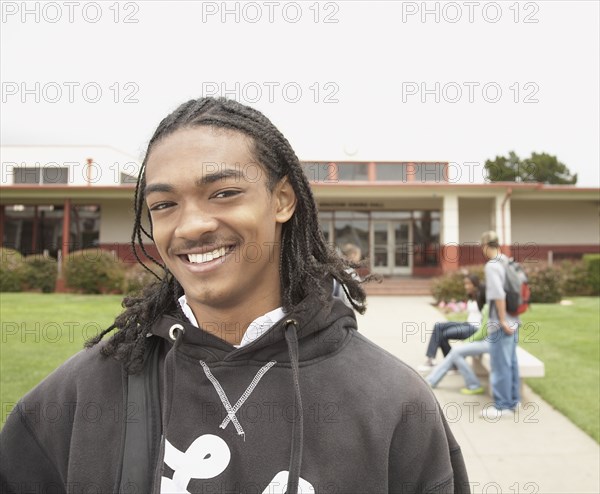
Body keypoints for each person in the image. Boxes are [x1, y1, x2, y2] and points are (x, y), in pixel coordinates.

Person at [0, 97, 469, 493]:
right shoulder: (76, 397)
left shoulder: (394, 402)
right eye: (164, 205)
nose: (191, 225)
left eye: (223, 193)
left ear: (282, 200)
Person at [479, 230, 520, 420]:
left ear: (486, 246)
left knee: (500, 364)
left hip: (501, 324)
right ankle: (514, 400)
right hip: (515, 319)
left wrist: (502, 321)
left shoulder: (492, 265)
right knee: (511, 362)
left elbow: (498, 295)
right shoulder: (507, 260)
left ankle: (502, 406)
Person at [419, 275, 486, 372]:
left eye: (468, 284)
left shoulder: (481, 296)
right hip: (467, 324)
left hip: (475, 328)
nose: (466, 286)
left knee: (443, 335)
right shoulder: (471, 296)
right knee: (438, 326)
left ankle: (453, 364)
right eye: (465, 284)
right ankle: (431, 359)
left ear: (475, 284)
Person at [426, 315, 490, 395]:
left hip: (487, 340)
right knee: (439, 327)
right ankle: (432, 378)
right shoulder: (488, 305)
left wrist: (467, 342)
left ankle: (474, 385)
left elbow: (483, 332)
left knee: (455, 351)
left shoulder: (491, 305)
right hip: (473, 329)